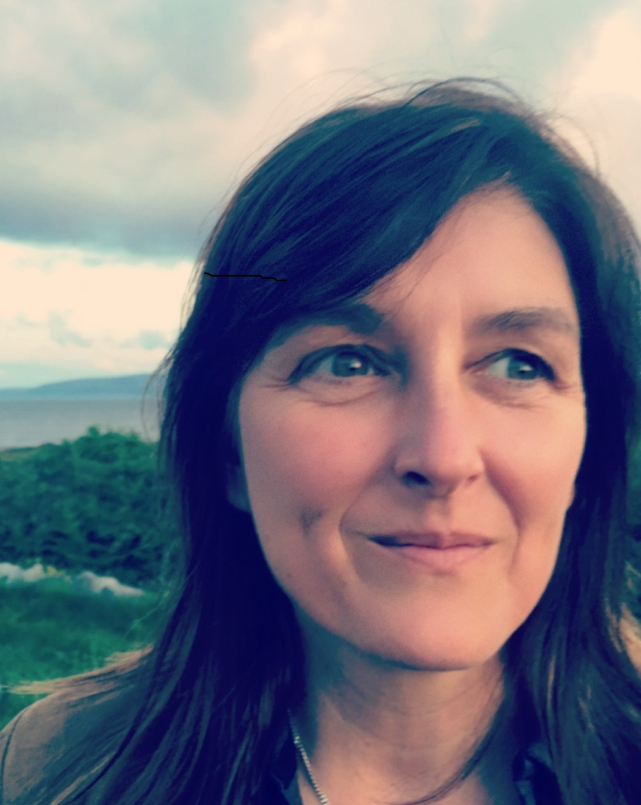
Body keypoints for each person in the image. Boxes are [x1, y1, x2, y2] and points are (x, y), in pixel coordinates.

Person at [2, 78, 641, 805]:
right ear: (228, 450)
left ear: (588, 450)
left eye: (516, 364)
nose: (442, 456)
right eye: (347, 362)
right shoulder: (56, 771)